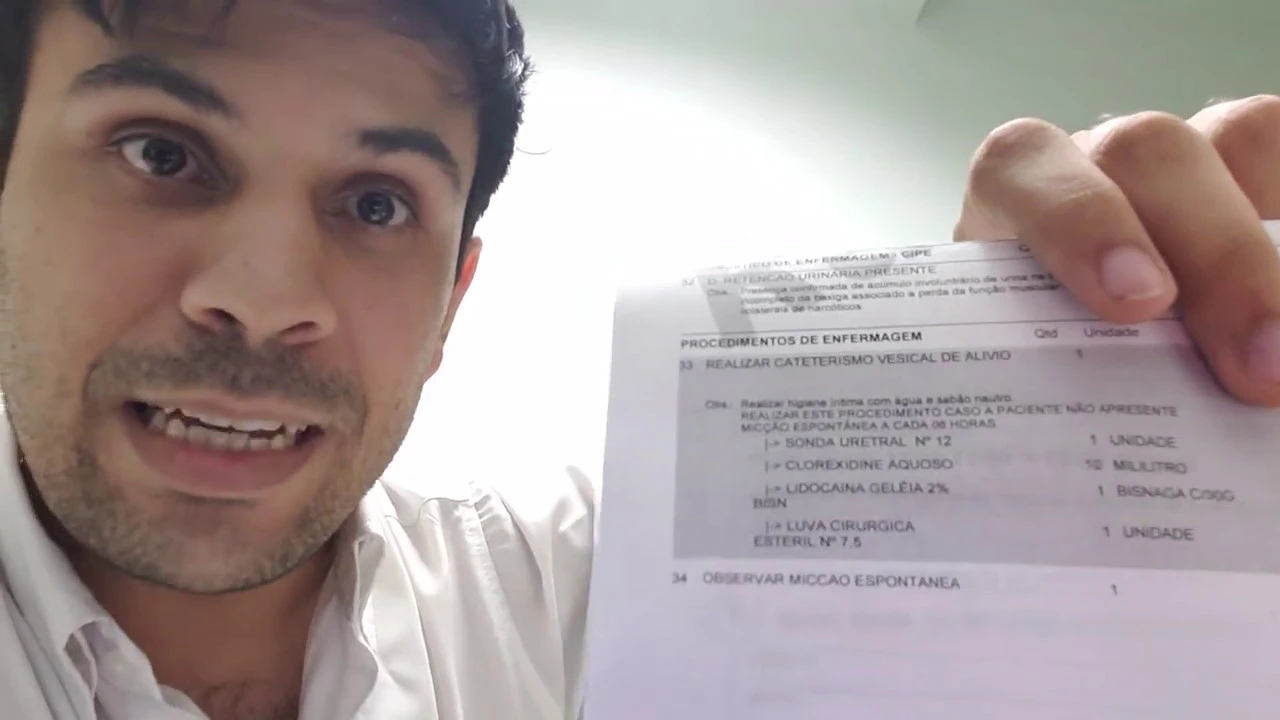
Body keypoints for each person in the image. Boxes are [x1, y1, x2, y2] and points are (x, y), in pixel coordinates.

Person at [0, 0, 1275, 718]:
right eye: (160, 153)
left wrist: (1047, 373)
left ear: (450, 304)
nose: (265, 300)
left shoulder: (608, 593)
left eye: (378, 204)